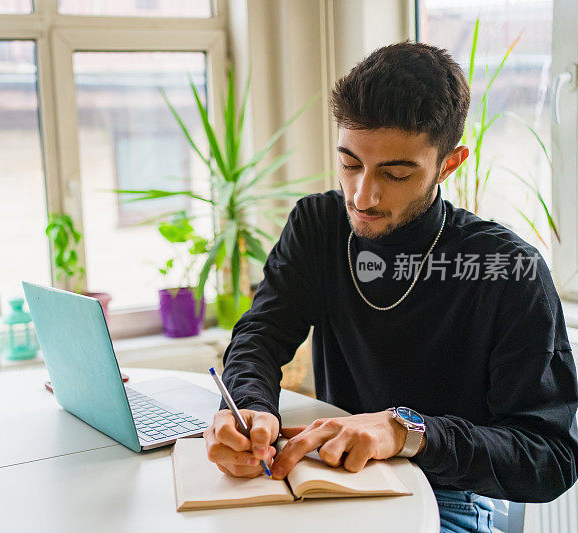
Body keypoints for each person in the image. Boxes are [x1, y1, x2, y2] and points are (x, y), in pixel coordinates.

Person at [204, 41, 578, 533]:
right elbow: (260, 336)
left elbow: (548, 458)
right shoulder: (318, 226)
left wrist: (407, 432)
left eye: (395, 173)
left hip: (450, 499)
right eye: (350, 163)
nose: (362, 196)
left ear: (449, 163)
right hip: (328, 481)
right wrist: (249, 407)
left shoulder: (509, 269)